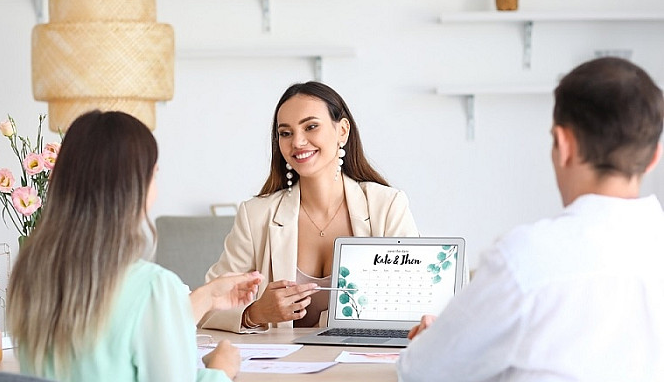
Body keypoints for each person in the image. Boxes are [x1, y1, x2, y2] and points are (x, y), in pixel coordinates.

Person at [397, 57, 664, 381]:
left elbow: (421, 372)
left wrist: (435, 340)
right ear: (653, 158)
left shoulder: (523, 257)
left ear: (563, 145)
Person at [7, 111, 263, 382]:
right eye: (154, 175)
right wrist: (220, 371)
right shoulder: (153, 286)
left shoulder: (30, 274)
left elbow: (111, 346)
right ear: (134, 187)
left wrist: (207, 298)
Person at [200, 81, 419, 332]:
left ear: (342, 131)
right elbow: (206, 305)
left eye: (311, 126)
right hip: (278, 369)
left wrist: (327, 323)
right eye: (286, 133)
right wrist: (255, 313)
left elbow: (410, 305)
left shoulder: (388, 206)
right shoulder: (256, 215)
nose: (298, 142)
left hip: (362, 364)